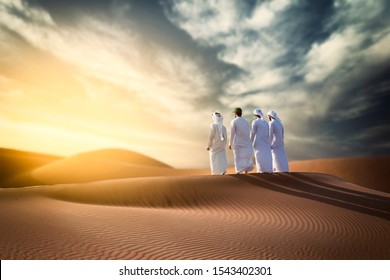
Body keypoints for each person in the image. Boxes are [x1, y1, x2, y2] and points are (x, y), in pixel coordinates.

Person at [229, 107, 254, 174]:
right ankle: (246, 170)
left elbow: (232, 133)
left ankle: (238, 171)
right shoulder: (246, 121)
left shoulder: (234, 121)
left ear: (235, 113)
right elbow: (248, 133)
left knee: (237, 157)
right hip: (246, 142)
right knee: (245, 156)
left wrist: (230, 143)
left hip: (238, 143)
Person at [250, 108, 273, 173]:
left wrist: (250, 142)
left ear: (255, 115)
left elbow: (253, 133)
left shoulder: (255, 122)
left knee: (259, 156)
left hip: (258, 142)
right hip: (266, 142)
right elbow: (268, 134)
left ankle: (260, 170)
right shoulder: (266, 123)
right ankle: (268, 169)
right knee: (266, 156)